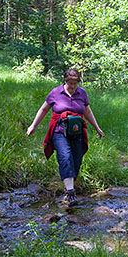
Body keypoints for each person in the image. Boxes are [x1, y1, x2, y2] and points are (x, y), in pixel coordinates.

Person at [26, 68, 105, 206]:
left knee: (76, 160)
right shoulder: (55, 92)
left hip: (77, 131)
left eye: (75, 83)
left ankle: (68, 186)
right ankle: (70, 193)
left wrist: (97, 128)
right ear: (65, 80)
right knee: (65, 156)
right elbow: (44, 109)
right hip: (59, 131)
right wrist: (33, 126)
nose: (73, 86)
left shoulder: (82, 93)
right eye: (70, 83)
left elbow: (87, 111)